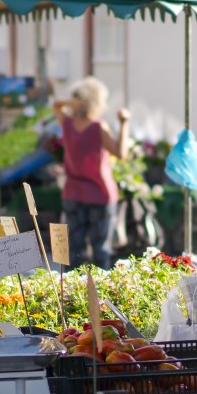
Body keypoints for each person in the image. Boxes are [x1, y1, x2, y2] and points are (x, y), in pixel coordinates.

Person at [52, 77, 130, 269]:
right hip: (98, 194)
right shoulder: (96, 127)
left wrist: (72, 102)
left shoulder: (70, 124)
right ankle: (99, 294)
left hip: (75, 192)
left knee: (74, 251)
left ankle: (70, 293)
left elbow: (56, 105)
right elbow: (121, 153)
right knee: (100, 251)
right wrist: (124, 124)